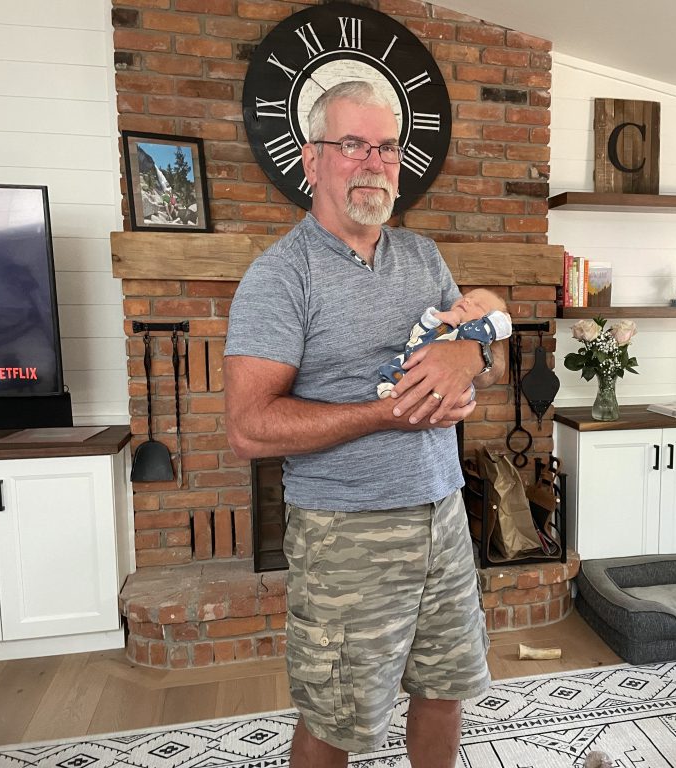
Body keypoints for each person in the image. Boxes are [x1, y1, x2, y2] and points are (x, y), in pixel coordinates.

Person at [223, 80, 505, 768]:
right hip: (344, 532)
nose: (373, 163)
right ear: (311, 158)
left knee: (445, 688)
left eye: (386, 147)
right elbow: (248, 428)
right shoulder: (281, 276)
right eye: (352, 145)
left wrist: (470, 358)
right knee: (336, 719)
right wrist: (387, 413)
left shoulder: (423, 256)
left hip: (442, 512)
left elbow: (482, 349)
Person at [376, 288, 512, 399]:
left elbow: (502, 323)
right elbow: (417, 333)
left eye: (479, 305)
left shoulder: (475, 335)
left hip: (441, 385)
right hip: (412, 358)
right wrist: (436, 318)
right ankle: (390, 383)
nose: (467, 300)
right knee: (399, 365)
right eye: (466, 297)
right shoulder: (443, 322)